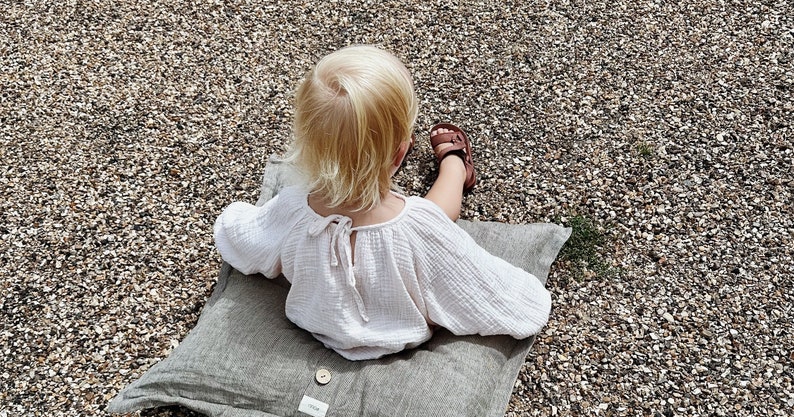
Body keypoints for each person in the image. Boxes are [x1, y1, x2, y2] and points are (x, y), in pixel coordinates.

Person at [214, 46, 552, 360]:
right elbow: (512, 302)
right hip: (402, 333)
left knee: (427, 218)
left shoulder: (292, 210)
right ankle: (455, 165)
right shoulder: (419, 229)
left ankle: (451, 166)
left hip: (317, 325)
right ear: (401, 152)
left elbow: (239, 237)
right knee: (432, 214)